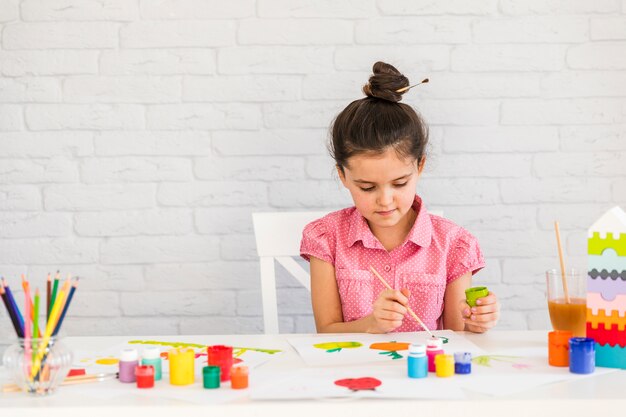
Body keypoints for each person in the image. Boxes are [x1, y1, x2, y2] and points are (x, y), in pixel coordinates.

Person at [300, 61, 500, 334]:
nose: (385, 200)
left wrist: (477, 322)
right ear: (343, 176)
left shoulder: (454, 245)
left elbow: (456, 336)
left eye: (400, 183)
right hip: (354, 372)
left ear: (419, 167)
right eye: (367, 187)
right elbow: (326, 331)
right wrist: (371, 324)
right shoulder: (326, 238)